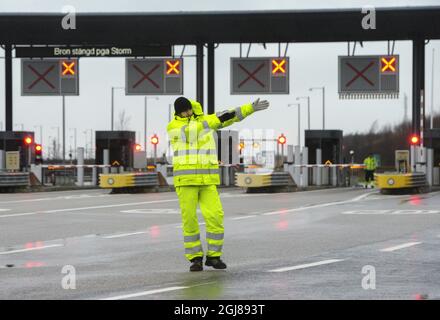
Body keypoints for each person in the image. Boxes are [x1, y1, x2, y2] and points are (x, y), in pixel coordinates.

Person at [167, 97, 269, 271]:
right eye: (184, 111)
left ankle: (214, 256)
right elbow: (191, 133)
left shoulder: (205, 120)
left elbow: (229, 116)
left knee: (215, 216)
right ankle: (195, 258)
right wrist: (215, 120)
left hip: (207, 179)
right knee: (189, 220)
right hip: (186, 181)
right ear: (178, 113)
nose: (188, 113)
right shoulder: (173, 127)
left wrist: (249, 108)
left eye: (189, 110)